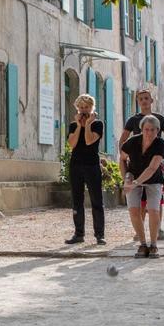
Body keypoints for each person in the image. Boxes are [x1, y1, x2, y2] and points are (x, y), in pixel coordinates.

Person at [119, 89, 164, 240]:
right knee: (140, 201)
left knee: (156, 199)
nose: (144, 101)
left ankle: (158, 228)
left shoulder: (160, 119)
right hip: (137, 164)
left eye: (146, 98)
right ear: (138, 102)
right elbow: (123, 139)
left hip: (155, 162)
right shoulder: (133, 120)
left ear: (151, 100)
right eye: (141, 99)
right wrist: (124, 159)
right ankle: (140, 231)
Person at [120, 115, 164, 257]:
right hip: (133, 176)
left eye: (153, 130)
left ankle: (153, 245)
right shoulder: (132, 142)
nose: (149, 133)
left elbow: (152, 168)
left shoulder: (160, 144)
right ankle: (142, 244)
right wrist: (126, 179)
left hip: (153, 179)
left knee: (153, 210)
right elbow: (122, 159)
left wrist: (135, 183)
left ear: (157, 131)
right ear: (141, 129)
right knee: (134, 210)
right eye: (146, 129)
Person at [65, 93, 107, 245]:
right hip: (76, 165)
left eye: (86, 107)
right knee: (77, 200)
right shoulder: (72, 125)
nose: (83, 110)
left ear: (91, 108)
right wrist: (78, 126)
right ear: (77, 108)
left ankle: (100, 235)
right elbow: (72, 144)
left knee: (97, 200)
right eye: (81, 107)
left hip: (92, 165)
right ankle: (79, 234)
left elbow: (89, 141)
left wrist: (88, 124)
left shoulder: (98, 124)